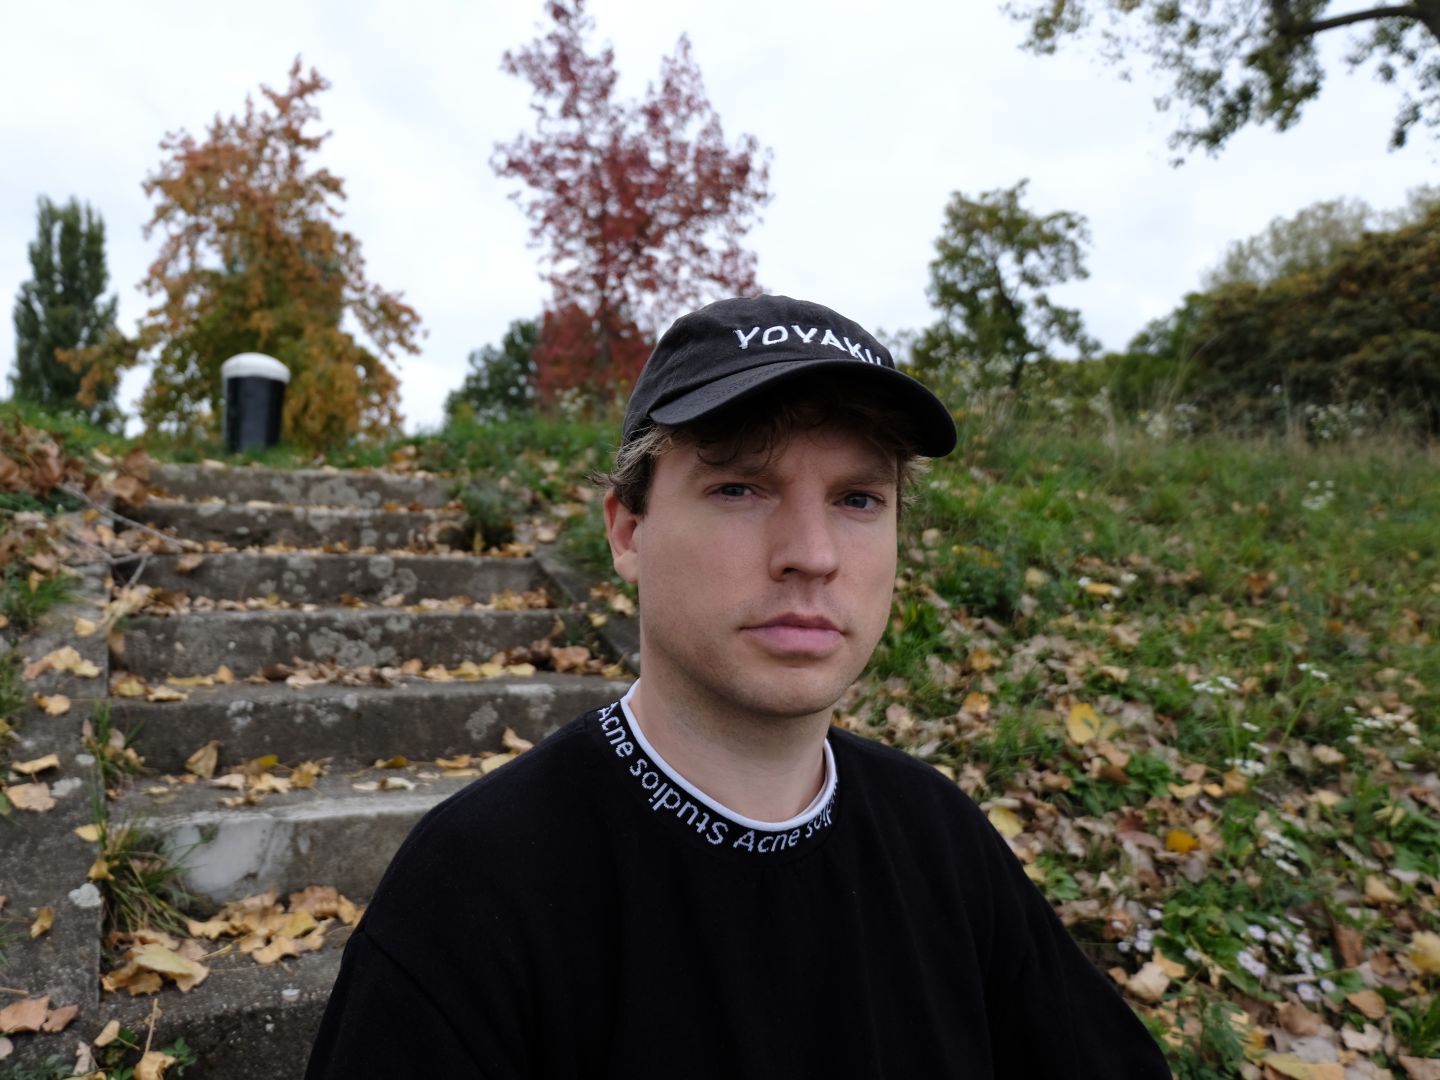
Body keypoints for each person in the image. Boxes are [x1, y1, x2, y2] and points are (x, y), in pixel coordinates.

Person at [306, 295, 1171, 1078]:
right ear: (629, 528)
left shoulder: (941, 838)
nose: (813, 553)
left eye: (859, 499)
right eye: (738, 486)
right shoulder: (476, 890)